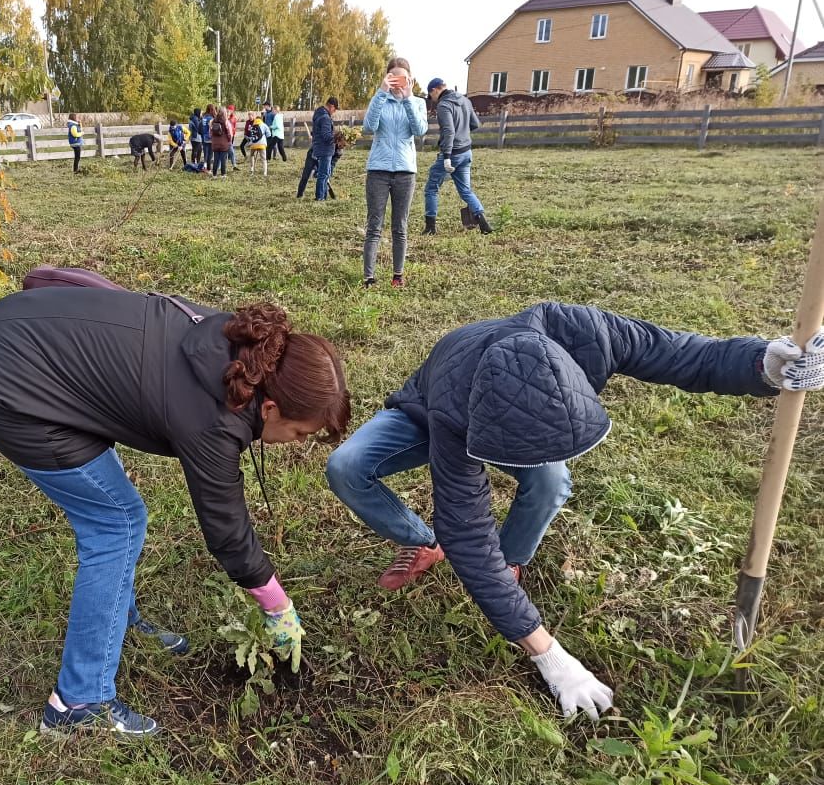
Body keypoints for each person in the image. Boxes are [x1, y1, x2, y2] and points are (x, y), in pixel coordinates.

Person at [326, 303, 824, 720]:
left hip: (507, 404)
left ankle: (513, 562)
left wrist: (762, 365)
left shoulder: (590, 333)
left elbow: (684, 355)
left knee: (549, 477)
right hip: (426, 409)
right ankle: (421, 542)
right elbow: (468, 533)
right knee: (348, 466)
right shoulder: (455, 410)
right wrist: (551, 657)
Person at [0, 289, 352, 737]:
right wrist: (277, 606)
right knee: (116, 522)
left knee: (118, 510)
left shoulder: (237, 348)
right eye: (300, 434)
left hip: (16, 331)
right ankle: (79, 703)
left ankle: (115, 624)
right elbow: (226, 529)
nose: (295, 444)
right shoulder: (213, 417)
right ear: (273, 406)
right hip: (6, 384)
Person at [360, 57, 428, 289]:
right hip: (378, 170)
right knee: (374, 225)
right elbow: (369, 127)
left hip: (405, 171)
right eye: (393, 77)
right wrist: (381, 92)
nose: (397, 82)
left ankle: (397, 275)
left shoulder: (417, 102)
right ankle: (369, 277)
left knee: (400, 225)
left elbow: (419, 130)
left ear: (409, 79)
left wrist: (407, 98)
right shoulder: (380, 99)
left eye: (402, 77)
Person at [423, 77, 492, 235]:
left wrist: (446, 155)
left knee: (431, 188)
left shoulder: (444, 105)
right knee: (465, 190)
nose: (431, 100)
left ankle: (430, 227)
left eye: (430, 95)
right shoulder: (465, 100)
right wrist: (463, 134)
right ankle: (482, 221)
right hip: (466, 152)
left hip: (452, 154)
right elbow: (475, 124)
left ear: (435, 90)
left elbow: (448, 131)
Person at [296, 130, 347, 199]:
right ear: (338, 140)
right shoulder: (328, 140)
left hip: (324, 160)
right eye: (343, 144)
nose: (343, 147)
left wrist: (329, 174)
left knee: (324, 177)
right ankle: (300, 194)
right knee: (306, 175)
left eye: (345, 146)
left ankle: (323, 196)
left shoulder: (339, 152)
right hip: (313, 155)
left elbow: (332, 164)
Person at [311, 97, 339, 201]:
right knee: (323, 174)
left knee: (324, 173)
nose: (334, 112)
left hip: (319, 147)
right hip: (324, 149)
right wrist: (337, 137)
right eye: (335, 109)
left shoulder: (318, 114)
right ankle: (320, 197)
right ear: (331, 106)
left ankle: (323, 196)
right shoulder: (325, 118)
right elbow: (326, 136)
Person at [209, 108, 232, 177]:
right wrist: (229, 140)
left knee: (216, 159)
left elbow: (210, 133)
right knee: (223, 159)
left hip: (215, 143)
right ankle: (223, 174)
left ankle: (214, 174)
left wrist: (213, 139)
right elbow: (229, 133)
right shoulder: (226, 122)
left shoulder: (212, 121)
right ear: (224, 113)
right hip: (224, 143)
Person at [201, 104, 215, 169]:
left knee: (205, 153)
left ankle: (205, 166)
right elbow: (212, 128)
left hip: (204, 137)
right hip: (210, 138)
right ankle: (208, 169)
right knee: (210, 154)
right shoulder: (211, 118)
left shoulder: (204, 117)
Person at [226, 104, 240, 170]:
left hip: (230, 136)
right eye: (228, 109)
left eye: (230, 110)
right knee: (224, 152)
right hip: (224, 137)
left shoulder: (234, 118)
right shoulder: (224, 117)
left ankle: (234, 165)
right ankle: (220, 167)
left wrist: (233, 132)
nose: (229, 111)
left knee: (231, 151)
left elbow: (234, 126)